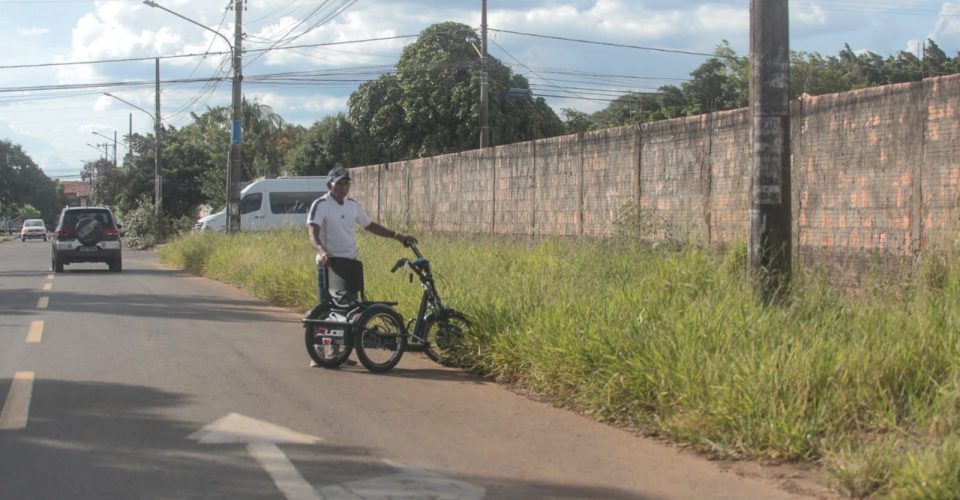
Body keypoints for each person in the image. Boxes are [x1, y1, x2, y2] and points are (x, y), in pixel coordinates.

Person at [306, 166, 414, 365]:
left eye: (346, 183)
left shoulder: (352, 206)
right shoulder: (321, 204)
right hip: (328, 264)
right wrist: (321, 252)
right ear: (330, 184)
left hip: (349, 266)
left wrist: (397, 236)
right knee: (327, 309)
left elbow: (369, 225)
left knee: (349, 310)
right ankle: (321, 353)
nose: (343, 187)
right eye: (339, 183)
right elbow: (312, 232)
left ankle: (340, 352)